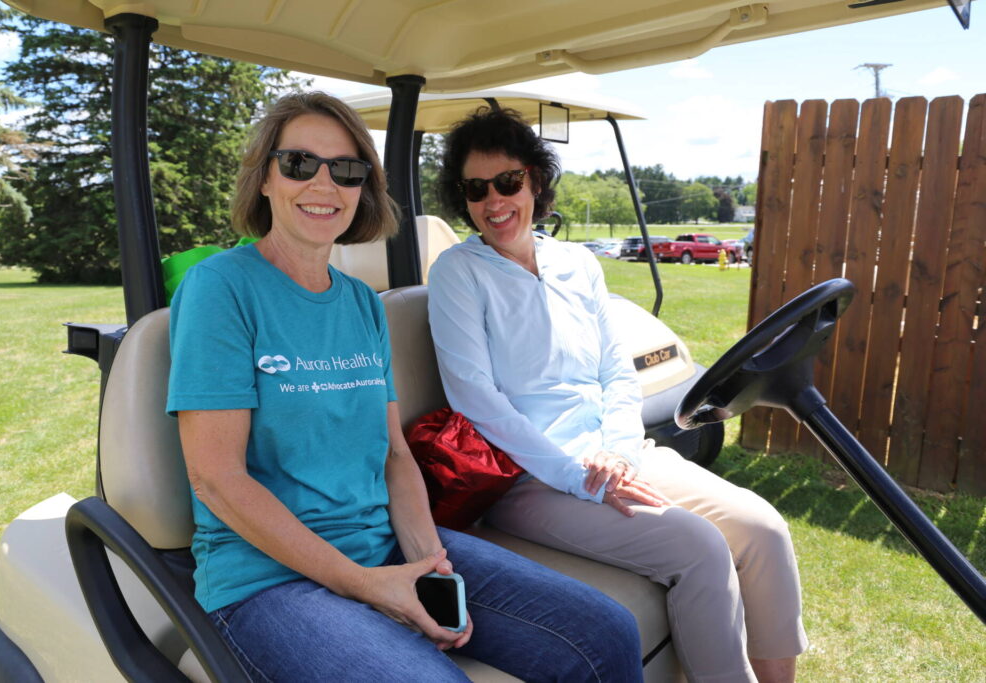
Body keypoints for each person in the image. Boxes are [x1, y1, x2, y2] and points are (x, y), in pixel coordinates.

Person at [166, 92, 644, 682]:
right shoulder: (220, 289)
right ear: (264, 177)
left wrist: (427, 560)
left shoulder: (362, 304)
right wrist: (367, 585)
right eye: (299, 163)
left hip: (383, 544)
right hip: (266, 580)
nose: (323, 184)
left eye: (346, 169)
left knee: (606, 633)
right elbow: (216, 478)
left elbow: (394, 454)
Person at [427, 107, 808, 683]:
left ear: (534, 179)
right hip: (531, 477)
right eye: (475, 189)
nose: (493, 201)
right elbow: (476, 399)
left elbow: (616, 372)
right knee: (700, 549)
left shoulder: (577, 262)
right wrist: (580, 475)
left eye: (507, 181)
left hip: (616, 454)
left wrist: (619, 456)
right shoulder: (459, 272)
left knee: (764, 530)